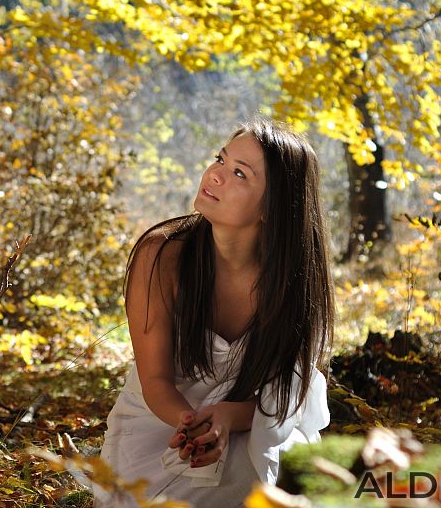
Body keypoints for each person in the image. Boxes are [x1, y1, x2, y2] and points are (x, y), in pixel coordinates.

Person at [96, 119, 333, 507]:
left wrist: (227, 418)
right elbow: (154, 378)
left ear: (273, 208)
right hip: (162, 420)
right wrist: (194, 430)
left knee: (276, 481)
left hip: (253, 424)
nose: (216, 175)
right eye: (220, 159)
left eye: (239, 172)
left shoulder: (294, 282)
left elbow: (287, 397)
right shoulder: (162, 255)